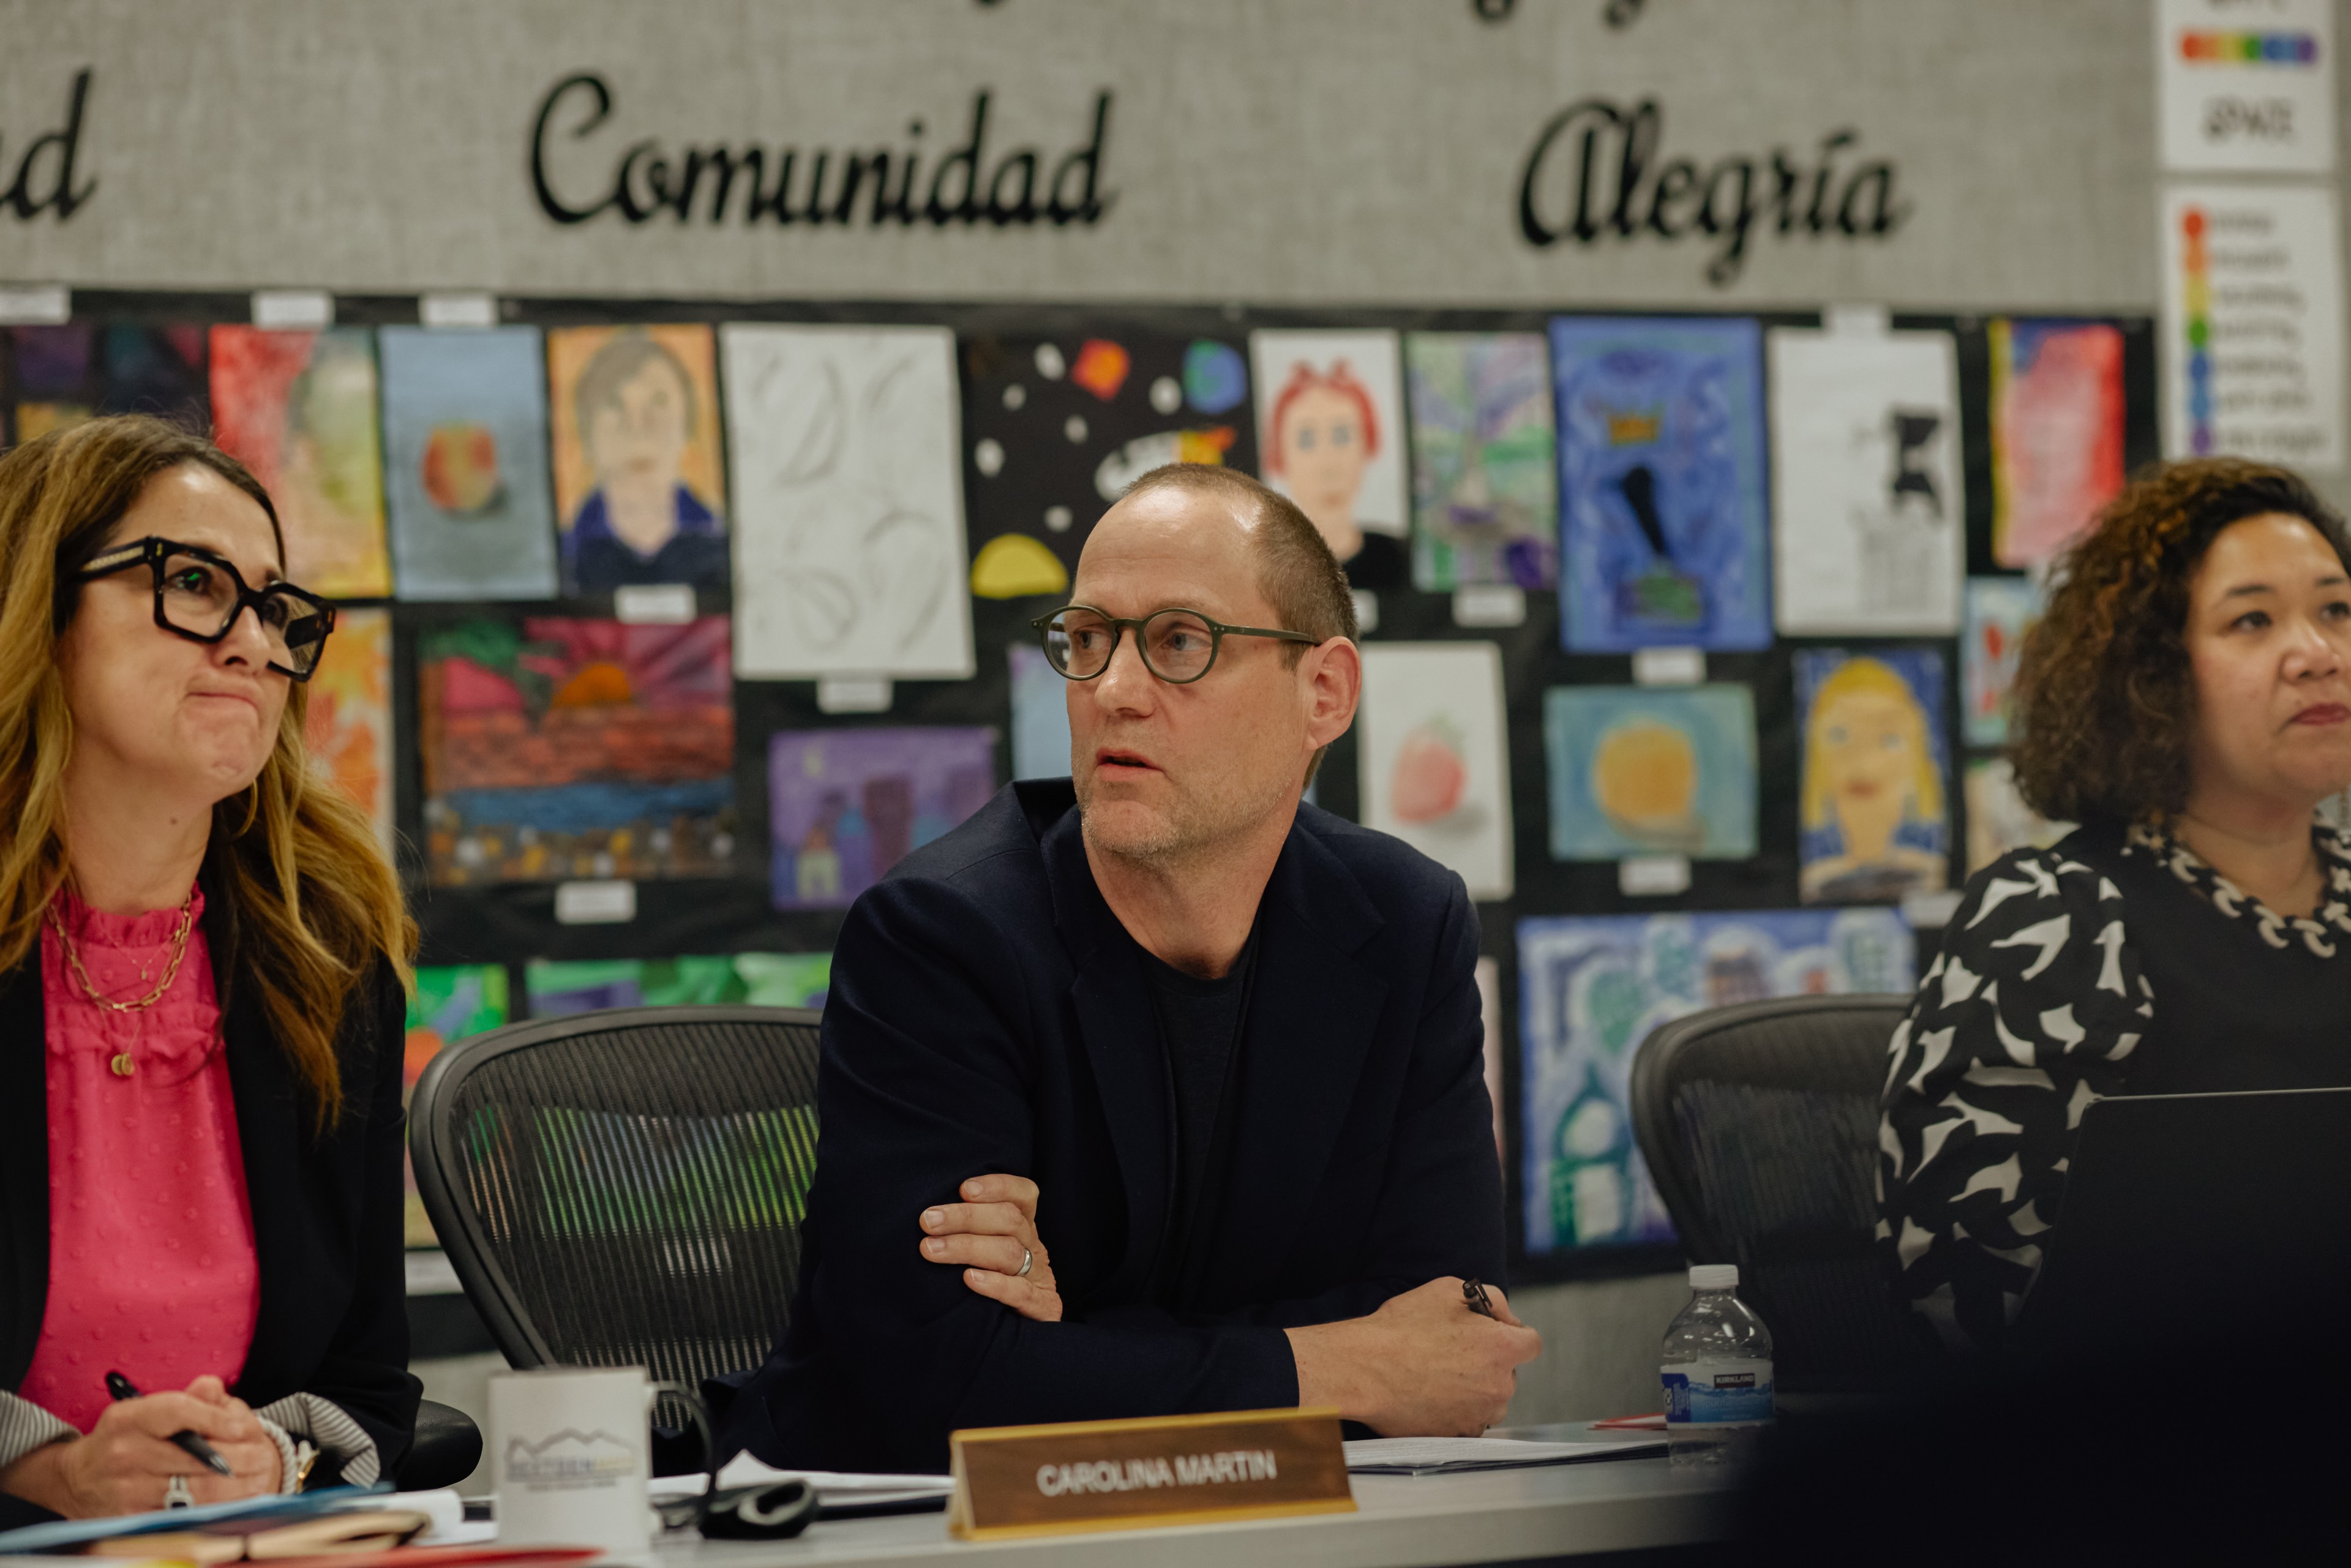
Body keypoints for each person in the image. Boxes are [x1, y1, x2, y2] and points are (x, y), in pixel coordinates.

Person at [721, 464, 1538, 1472]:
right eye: (1090, 639)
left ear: (1322, 691)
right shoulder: (941, 936)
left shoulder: (1407, 923)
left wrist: (1072, 1353)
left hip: (1283, 1525)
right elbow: (945, 1386)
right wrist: (1338, 1364)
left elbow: (1454, 1340)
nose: (1112, 692)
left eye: (1180, 643)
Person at [0, 416, 418, 1523]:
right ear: (38, 611)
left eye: (275, 608)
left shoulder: (327, 965)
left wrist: (271, 1462)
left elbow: (372, 1391)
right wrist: (56, 1474)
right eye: (193, 582)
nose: (251, 644)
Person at [1878, 458, 2351, 1352]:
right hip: (2160, 1453)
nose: (2319, 653)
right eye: (2253, 620)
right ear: (2151, 676)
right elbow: (1966, 1298)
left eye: (2337, 609)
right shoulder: (2055, 917)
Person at [562, 331, 727, 595]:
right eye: (615, 405)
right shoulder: (565, 558)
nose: (637, 427)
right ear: (587, 431)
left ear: (688, 423)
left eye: (658, 402)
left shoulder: (723, 545)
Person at [1263, 362, 1405, 588]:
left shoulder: (1397, 558)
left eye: (1342, 436)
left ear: (1367, 445)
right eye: (1306, 440)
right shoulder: (1264, 567)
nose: (1328, 464)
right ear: (1281, 455)